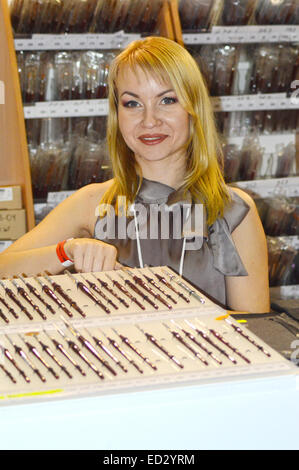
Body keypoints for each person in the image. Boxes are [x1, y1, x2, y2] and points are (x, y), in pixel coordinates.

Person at [0, 36, 269, 313]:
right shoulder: (93, 203)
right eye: (132, 104)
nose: (149, 120)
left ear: (193, 108)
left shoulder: (233, 212)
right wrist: (65, 252)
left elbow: (258, 329)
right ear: (118, 114)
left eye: (167, 99)